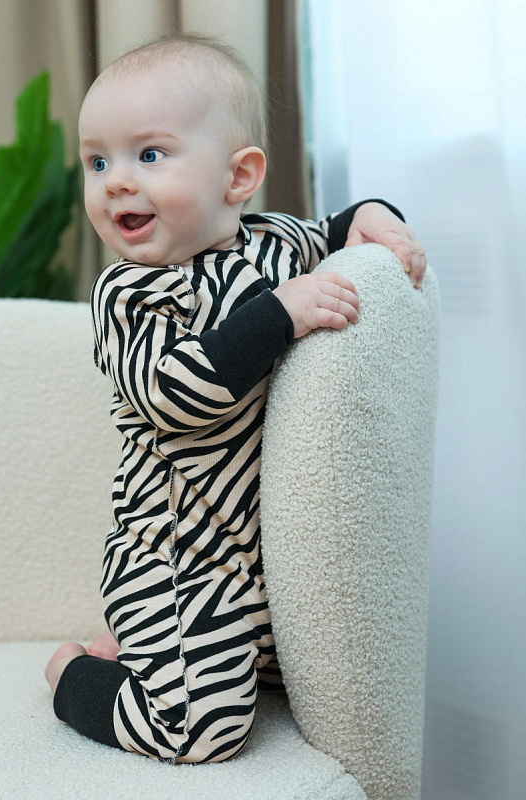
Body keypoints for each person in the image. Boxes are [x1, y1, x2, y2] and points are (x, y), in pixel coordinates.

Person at [44, 32, 427, 765]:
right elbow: (169, 392)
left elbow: (336, 231)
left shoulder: (275, 243)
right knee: (201, 728)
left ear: (239, 175)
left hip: (268, 561)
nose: (115, 182)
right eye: (98, 162)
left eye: (148, 155)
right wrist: (279, 314)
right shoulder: (130, 291)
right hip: (175, 558)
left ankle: (151, 653)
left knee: (301, 675)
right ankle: (73, 676)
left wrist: (375, 214)